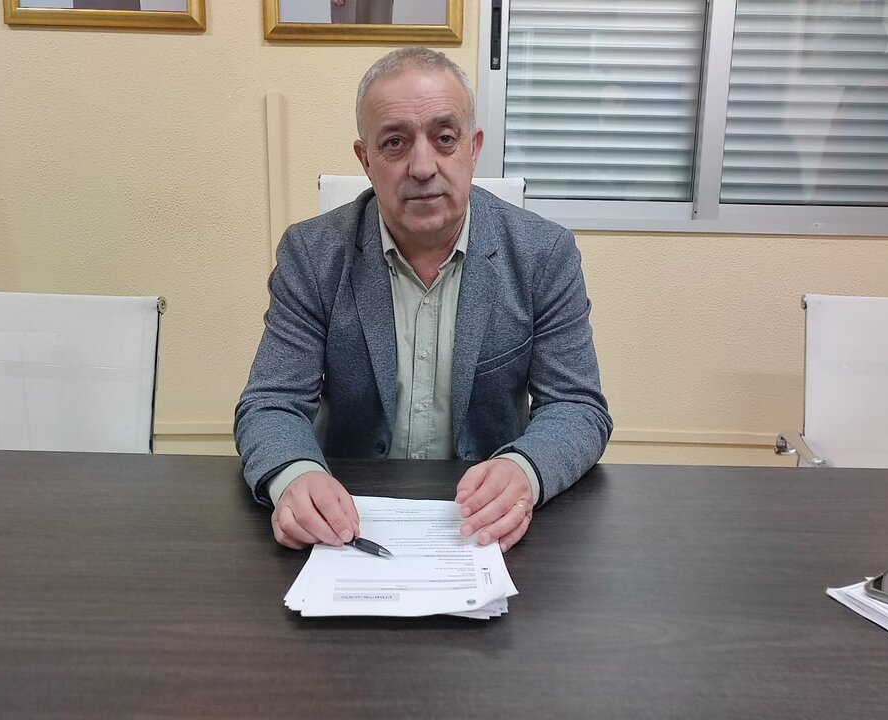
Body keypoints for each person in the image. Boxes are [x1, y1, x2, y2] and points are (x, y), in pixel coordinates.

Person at [235, 47, 611, 553]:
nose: (422, 166)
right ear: (366, 161)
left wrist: (524, 470)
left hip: (482, 527)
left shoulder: (543, 254)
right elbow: (270, 401)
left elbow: (577, 405)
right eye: (395, 142)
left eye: (445, 138)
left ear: (473, 149)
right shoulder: (312, 254)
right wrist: (294, 476)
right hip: (350, 525)